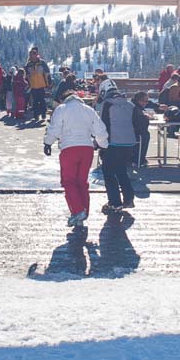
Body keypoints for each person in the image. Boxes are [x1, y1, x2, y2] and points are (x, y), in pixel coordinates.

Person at [43, 82, 107, 228]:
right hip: (87, 148)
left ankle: (77, 211)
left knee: (69, 181)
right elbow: (100, 129)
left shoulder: (61, 109)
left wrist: (47, 143)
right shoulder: (88, 110)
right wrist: (103, 144)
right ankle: (84, 210)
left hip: (69, 149)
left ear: (64, 99)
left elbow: (54, 129)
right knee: (82, 181)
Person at [97, 80, 137, 212]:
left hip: (113, 143)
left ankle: (114, 202)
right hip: (128, 143)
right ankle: (129, 199)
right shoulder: (130, 104)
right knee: (121, 170)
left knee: (108, 172)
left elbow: (103, 125)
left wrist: (100, 143)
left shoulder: (107, 104)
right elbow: (140, 121)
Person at [24, 47, 51, 121]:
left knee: (42, 100)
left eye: (34, 55)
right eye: (31, 55)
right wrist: (28, 85)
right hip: (33, 86)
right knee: (35, 102)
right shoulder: (28, 65)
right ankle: (36, 115)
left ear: (36, 55)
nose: (32, 57)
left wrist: (48, 83)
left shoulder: (42, 63)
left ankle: (43, 114)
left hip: (41, 85)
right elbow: (26, 76)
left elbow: (47, 73)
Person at [131, 90, 151, 168]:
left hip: (130, 131)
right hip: (136, 133)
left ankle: (140, 158)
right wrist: (146, 118)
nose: (146, 103)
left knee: (145, 134)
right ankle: (139, 159)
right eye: (145, 101)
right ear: (139, 100)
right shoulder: (136, 108)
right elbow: (141, 124)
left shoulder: (133, 105)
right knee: (146, 135)